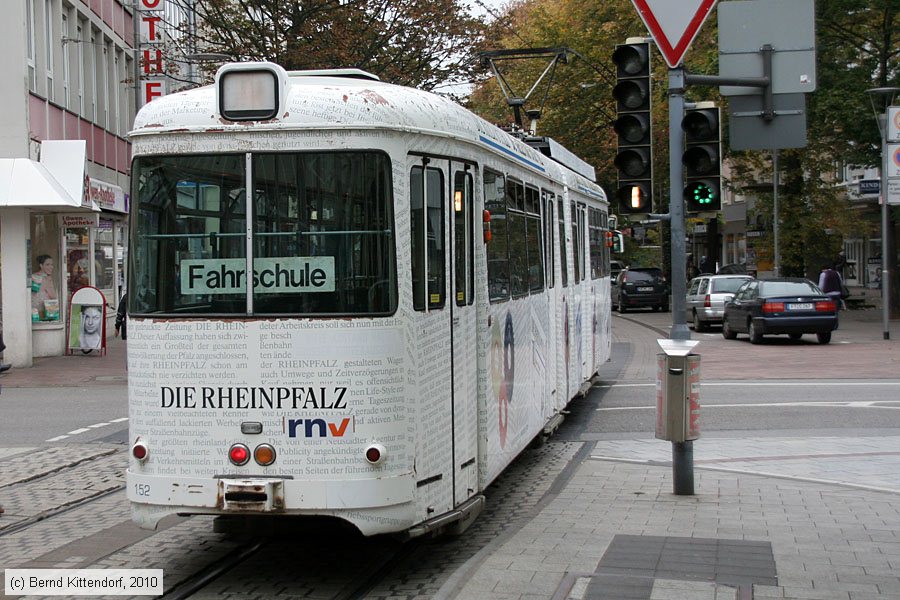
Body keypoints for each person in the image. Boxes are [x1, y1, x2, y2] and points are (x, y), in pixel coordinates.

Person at [31, 254, 59, 321]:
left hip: (33, 312)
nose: (51, 267)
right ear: (41, 266)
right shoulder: (46, 278)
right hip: (44, 312)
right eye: (47, 264)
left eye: (51, 264)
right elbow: (53, 296)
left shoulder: (33, 276)